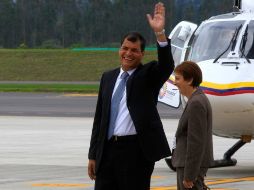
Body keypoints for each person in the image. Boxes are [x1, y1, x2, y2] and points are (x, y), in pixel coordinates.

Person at [87, 2, 174, 190]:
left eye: (134, 50)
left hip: (135, 153)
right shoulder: (108, 77)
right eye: (125, 48)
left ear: (142, 54)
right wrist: (93, 155)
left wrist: (160, 34)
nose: (128, 53)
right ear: (119, 49)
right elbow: (99, 119)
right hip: (107, 151)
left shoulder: (148, 76)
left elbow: (166, 66)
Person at [171, 61, 213, 190]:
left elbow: (196, 142)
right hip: (190, 165)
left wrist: (189, 175)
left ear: (189, 80)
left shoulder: (196, 103)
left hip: (189, 167)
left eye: (178, 78)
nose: (174, 82)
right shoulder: (197, 99)